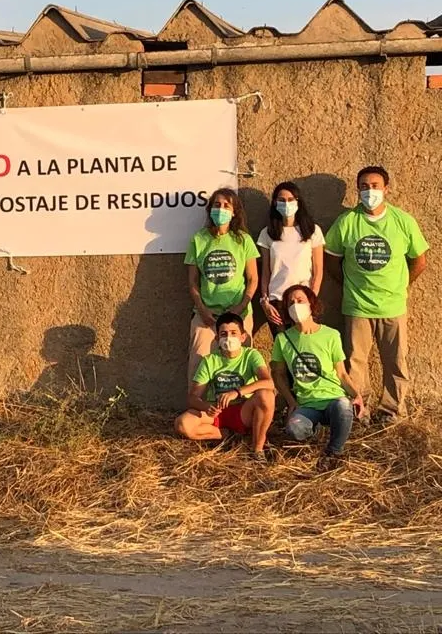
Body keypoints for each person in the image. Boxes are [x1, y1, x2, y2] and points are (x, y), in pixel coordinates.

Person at [324, 166, 429, 424]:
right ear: (357, 190)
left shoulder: (403, 221)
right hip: (357, 306)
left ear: (386, 189)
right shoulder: (347, 222)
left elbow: (419, 260)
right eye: (364, 186)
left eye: (375, 186)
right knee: (355, 362)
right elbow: (332, 260)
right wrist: (349, 284)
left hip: (393, 306)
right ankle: (360, 410)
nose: (369, 191)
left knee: (396, 362)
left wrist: (402, 285)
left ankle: (392, 411)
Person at [270, 285, 364, 460]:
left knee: (343, 406)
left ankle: (334, 452)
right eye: (290, 303)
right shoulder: (283, 339)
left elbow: (341, 373)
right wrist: (291, 402)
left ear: (311, 304)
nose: (295, 305)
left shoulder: (331, 335)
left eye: (300, 300)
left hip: (333, 398)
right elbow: (277, 374)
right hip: (306, 404)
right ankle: (315, 431)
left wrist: (356, 395)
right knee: (294, 428)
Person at [175, 312, 277, 460]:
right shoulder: (210, 360)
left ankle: (257, 449)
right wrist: (206, 407)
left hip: (243, 410)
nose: (229, 338)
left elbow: (268, 382)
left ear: (243, 337)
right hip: (217, 412)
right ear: (217, 339)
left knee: (266, 395)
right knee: (182, 424)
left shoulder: (251, 355)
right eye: (224, 334)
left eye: (233, 333)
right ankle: (225, 435)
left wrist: (237, 392)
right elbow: (192, 397)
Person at [184, 188, 260, 383]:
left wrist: (240, 308)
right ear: (210, 209)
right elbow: (192, 281)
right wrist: (202, 309)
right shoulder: (199, 239)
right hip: (206, 315)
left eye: (227, 206)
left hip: (239, 315)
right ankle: (198, 401)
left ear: (234, 212)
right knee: (198, 365)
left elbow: (253, 279)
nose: (221, 209)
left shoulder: (243, 240)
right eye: (217, 205)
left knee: (241, 366)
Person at [257, 181, 324, 337]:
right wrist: (265, 302)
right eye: (281, 200)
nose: (286, 204)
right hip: (277, 301)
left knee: (305, 344)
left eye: (290, 199)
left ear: (298, 202)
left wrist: (312, 299)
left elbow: (318, 270)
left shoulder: (312, 231)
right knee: (283, 346)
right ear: (275, 203)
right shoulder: (267, 233)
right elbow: (266, 271)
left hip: (302, 300)